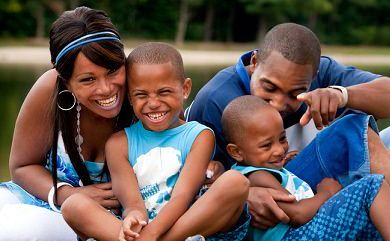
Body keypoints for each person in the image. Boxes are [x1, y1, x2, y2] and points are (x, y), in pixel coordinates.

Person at [186, 22, 390, 229]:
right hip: (289, 195)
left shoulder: (321, 72)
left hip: (325, 179)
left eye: (296, 93)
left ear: (314, 76)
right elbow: (196, 179)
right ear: (254, 61)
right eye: (269, 88)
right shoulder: (217, 99)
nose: (279, 104)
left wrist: (342, 95)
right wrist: (246, 194)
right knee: (353, 131)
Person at [61, 42, 250, 241]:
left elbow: (182, 197)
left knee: (235, 182)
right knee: (73, 205)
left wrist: (151, 235)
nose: (153, 103)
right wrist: (134, 217)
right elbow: (132, 203)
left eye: (164, 92)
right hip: (140, 230)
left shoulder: (199, 135)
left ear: (185, 89)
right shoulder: (119, 143)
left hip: (183, 225)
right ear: (130, 98)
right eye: (141, 95)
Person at [0, 6, 134, 240]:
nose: (106, 89)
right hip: (47, 198)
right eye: (88, 79)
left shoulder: (145, 89)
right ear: (65, 81)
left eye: (113, 70)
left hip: (111, 220)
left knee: (20, 231)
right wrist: (68, 194)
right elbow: (22, 167)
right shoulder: (49, 90)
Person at [225, 95, 390, 241]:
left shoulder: (263, 171)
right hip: (298, 235)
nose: (279, 150)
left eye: (282, 139)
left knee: (378, 220)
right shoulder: (255, 177)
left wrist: (282, 167)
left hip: (306, 232)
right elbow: (297, 215)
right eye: (266, 146)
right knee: (374, 187)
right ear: (236, 152)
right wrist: (325, 194)